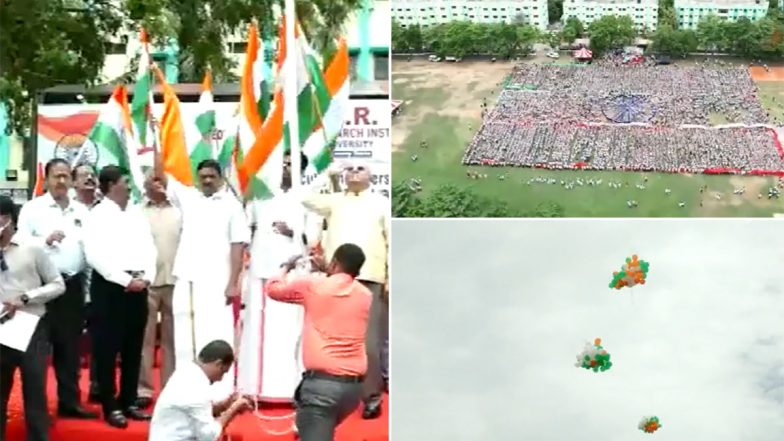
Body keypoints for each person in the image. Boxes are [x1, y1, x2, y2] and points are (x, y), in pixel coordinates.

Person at [156, 159, 250, 402]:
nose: (207, 180)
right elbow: (160, 174)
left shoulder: (232, 205)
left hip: (217, 280)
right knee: (185, 337)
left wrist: (233, 282)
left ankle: (220, 393)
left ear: (220, 178)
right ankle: (187, 391)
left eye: (212, 176)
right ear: (198, 178)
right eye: (203, 176)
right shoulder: (189, 198)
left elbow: (237, 244)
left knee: (216, 333)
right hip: (187, 277)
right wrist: (155, 127)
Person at [301, 163, 389, 419]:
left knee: (368, 341)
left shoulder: (381, 203)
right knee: (331, 336)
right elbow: (305, 198)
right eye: (349, 169)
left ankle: (371, 396)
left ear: (371, 176)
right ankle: (332, 395)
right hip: (336, 279)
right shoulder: (335, 201)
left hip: (369, 277)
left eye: (360, 168)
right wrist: (328, 173)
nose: (354, 172)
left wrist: (390, 278)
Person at [15, 159, 98, 419]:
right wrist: (44, 241)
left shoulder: (81, 211)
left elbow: (89, 249)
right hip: (39, 286)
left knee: (69, 347)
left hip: (71, 287)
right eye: (55, 176)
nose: (61, 181)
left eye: (65, 176)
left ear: (71, 180)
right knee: (37, 349)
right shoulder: (33, 208)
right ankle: (38, 409)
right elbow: (18, 240)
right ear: (47, 179)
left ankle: (69, 402)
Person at [265, 243, 372, 441]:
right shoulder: (365, 296)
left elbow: (273, 290)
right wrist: (328, 271)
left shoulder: (312, 286)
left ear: (334, 263)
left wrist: (285, 268)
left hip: (321, 389)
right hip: (353, 391)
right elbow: (339, 285)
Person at [238, 152, 320, 400]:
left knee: (290, 332)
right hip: (261, 272)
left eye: (291, 165)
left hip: (293, 274)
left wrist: (293, 232)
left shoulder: (308, 198)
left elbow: (313, 238)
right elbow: (246, 229)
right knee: (258, 329)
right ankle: (254, 386)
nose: (285, 168)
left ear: (302, 170)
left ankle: (290, 388)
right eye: (283, 163)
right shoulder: (261, 196)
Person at [83, 165, 157, 428]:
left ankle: (128, 400)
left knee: (133, 348)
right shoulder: (97, 215)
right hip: (111, 288)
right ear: (112, 184)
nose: (129, 186)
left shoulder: (136, 213)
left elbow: (150, 247)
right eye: (125, 181)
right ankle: (110, 405)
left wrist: (147, 277)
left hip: (139, 286)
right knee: (107, 349)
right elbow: (95, 256)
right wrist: (126, 280)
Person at [0, 195, 66, 441]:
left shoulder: (32, 248)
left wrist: (26, 298)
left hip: (31, 328)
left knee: (35, 393)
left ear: (8, 219)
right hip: (1, 330)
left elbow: (58, 285)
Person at [137, 171, 182, 409]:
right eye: (152, 180)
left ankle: (170, 388)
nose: (157, 184)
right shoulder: (136, 211)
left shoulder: (180, 210)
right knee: (144, 337)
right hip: (146, 282)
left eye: (161, 180)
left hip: (175, 280)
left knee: (172, 339)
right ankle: (143, 389)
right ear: (143, 185)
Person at [148, 340, 252, 441]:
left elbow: (195, 412)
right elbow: (210, 436)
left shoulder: (187, 371)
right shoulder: (197, 389)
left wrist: (224, 406)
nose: (220, 379)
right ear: (218, 364)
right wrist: (233, 410)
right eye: (223, 372)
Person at [70, 162, 101, 403]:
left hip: (101, 282)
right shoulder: (68, 208)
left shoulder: (106, 206)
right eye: (83, 176)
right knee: (71, 340)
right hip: (74, 282)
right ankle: (70, 393)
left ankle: (97, 386)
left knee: (101, 337)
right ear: (73, 181)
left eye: (92, 175)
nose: (89, 179)